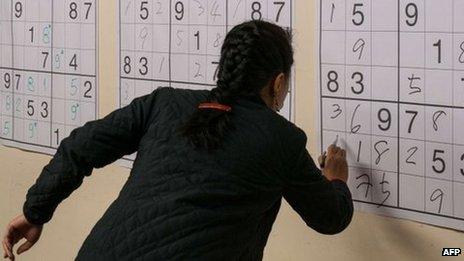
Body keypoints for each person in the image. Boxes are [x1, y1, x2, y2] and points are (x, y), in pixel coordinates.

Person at [2, 20, 352, 261]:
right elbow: (330, 217)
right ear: (277, 83)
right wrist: (336, 179)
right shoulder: (280, 139)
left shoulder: (164, 103)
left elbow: (80, 147)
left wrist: (36, 211)